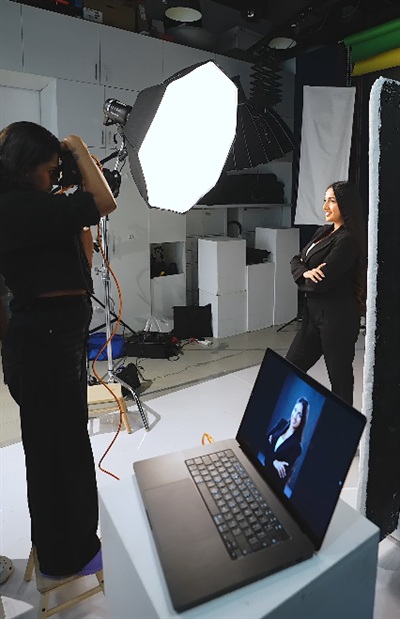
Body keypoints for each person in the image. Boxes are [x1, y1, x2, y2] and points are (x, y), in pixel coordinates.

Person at [0, 121, 117, 577]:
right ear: (25, 166)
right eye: (50, 170)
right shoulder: (18, 206)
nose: (55, 177)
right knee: (58, 453)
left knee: (61, 447)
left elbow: (82, 259)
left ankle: (69, 548)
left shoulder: (33, 207)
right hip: (45, 343)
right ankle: (66, 556)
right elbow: (104, 201)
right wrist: (79, 149)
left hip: (51, 340)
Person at [286, 181, 367, 406]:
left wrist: (303, 274)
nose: (325, 206)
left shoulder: (347, 240)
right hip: (313, 317)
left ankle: (343, 426)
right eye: (325, 200)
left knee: (340, 382)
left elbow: (319, 285)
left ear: (345, 204)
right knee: (290, 369)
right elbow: (295, 259)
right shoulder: (324, 231)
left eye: (331, 201)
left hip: (337, 320)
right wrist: (305, 272)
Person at [261, 397, 309, 489]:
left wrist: (270, 448)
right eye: (295, 410)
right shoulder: (282, 423)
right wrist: (275, 461)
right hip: (261, 471)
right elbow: (264, 442)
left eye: (299, 415)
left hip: (272, 486)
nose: (294, 416)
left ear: (302, 420)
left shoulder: (297, 447)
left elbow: (280, 474)